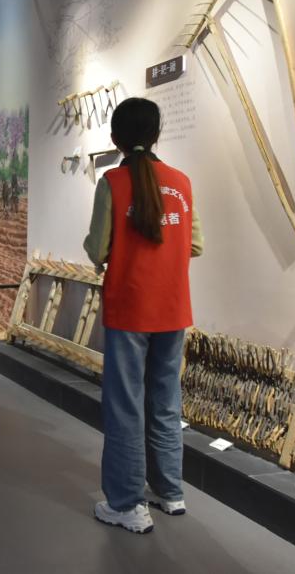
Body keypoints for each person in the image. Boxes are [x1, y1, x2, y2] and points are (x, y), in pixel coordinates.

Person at [84, 97, 204, 535]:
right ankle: (170, 491)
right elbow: (195, 244)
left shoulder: (112, 182)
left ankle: (127, 504)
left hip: (130, 309)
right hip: (173, 308)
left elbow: (97, 248)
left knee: (125, 406)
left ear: (115, 138)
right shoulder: (182, 182)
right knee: (166, 401)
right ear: (156, 135)